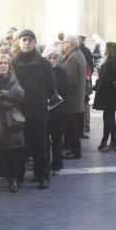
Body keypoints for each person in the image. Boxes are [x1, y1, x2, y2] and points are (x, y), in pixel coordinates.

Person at [12, 29, 56, 189]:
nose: (27, 43)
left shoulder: (43, 63)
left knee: (40, 144)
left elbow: (51, 87)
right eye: (24, 40)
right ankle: (17, 177)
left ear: (34, 42)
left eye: (30, 40)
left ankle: (42, 175)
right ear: (19, 42)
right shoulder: (12, 62)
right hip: (18, 109)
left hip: (38, 109)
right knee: (19, 145)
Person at [0, 53, 26, 193]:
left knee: (13, 152)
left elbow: (20, 94)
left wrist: (1, 95)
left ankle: (13, 180)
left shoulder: (13, 79)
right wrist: (9, 97)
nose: (3, 66)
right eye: (0, 63)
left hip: (11, 120)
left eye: (5, 63)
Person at [44, 46, 70, 175]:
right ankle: (45, 165)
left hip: (58, 110)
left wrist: (53, 99)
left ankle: (57, 165)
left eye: (55, 58)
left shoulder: (61, 71)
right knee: (44, 140)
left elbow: (65, 89)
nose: (52, 60)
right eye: (50, 57)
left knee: (57, 139)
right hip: (44, 111)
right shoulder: (42, 70)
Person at [93, 41, 116, 152]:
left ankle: (112, 142)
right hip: (114, 95)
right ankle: (106, 141)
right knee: (109, 118)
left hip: (108, 95)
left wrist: (97, 86)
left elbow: (105, 80)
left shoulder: (109, 63)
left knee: (108, 119)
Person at [62, 35, 86, 159]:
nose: (63, 45)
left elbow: (70, 80)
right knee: (74, 127)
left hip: (72, 100)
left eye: (65, 42)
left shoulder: (73, 57)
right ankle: (74, 149)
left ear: (70, 44)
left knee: (72, 128)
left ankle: (75, 150)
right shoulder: (79, 54)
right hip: (77, 99)